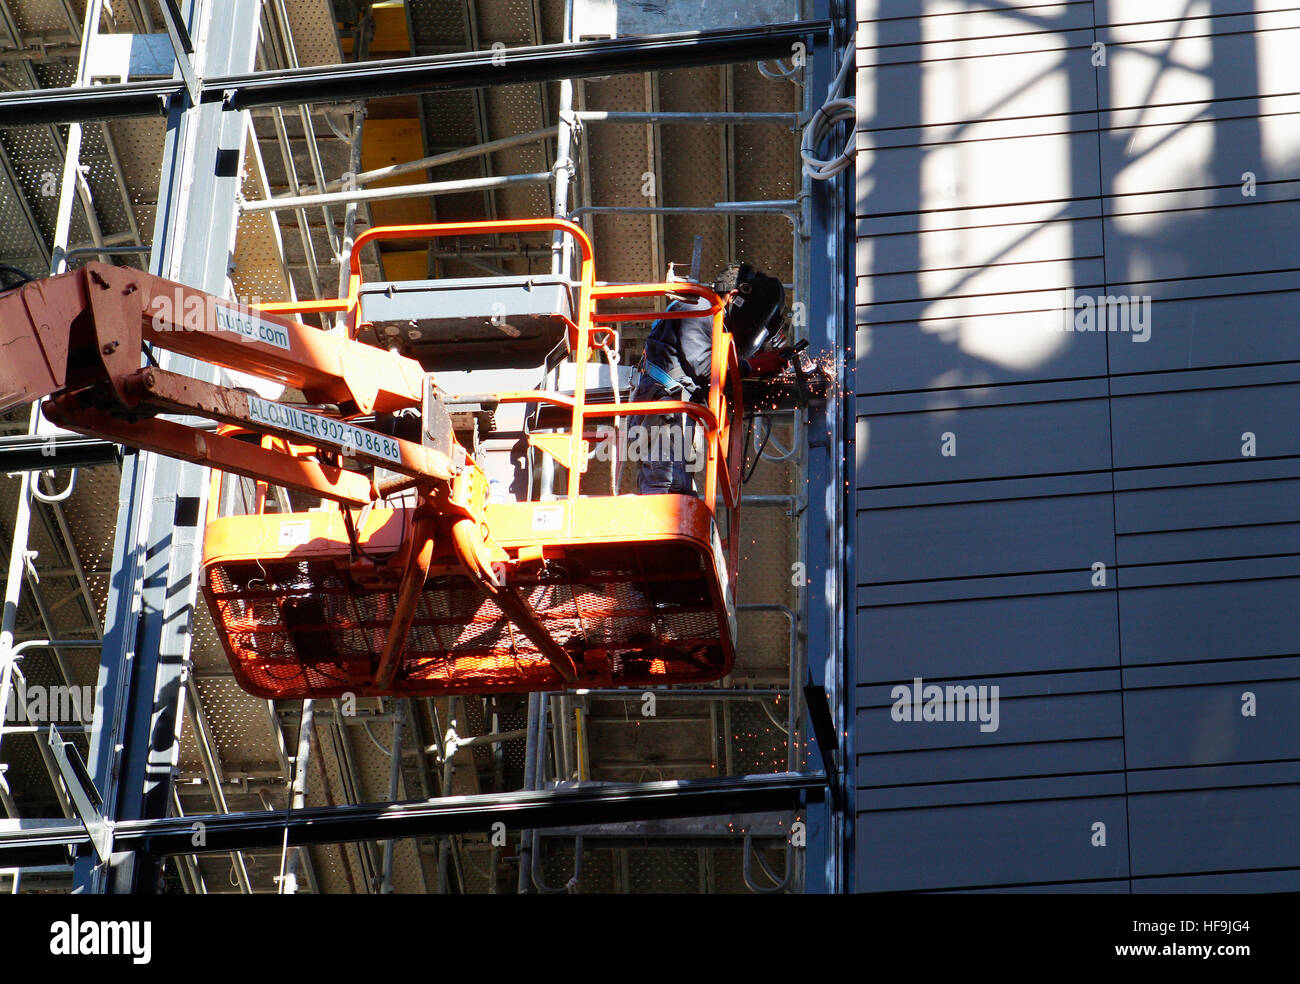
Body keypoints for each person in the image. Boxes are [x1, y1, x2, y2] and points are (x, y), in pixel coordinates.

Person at [633, 263, 790, 494]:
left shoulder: (705, 312)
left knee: (679, 491)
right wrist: (754, 367)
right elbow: (704, 367)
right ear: (735, 296)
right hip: (664, 414)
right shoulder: (701, 307)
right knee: (668, 494)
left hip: (671, 415)